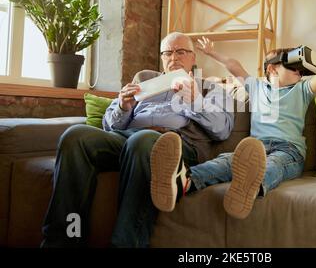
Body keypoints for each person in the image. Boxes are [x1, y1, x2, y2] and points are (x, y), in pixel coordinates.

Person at [150, 35, 316, 219]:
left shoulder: (302, 90)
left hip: (289, 151)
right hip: (254, 150)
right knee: (224, 161)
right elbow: (234, 66)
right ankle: (183, 180)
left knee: (274, 165)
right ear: (272, 69)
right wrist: (213, 53)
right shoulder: (256, 87)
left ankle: (248, 188)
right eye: (294, 68)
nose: (299, 73)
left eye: (301, 71)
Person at [41, 32, 234, 247]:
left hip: (175, 145)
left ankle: (126, 244)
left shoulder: (211, 88)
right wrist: (123, 107)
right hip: (127, 138)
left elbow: (223, 129)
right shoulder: (144, 79)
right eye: (168, 53)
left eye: (181, 51)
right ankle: (63, 239)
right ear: (161, 57)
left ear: (193, 57)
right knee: (75, 136)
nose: (174, 57)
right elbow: (109, 127)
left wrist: (195, 101)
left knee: (142, 141)